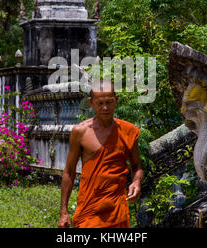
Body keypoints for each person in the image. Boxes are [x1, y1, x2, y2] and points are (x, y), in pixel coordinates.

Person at [58, 80, 143, 228]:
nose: (105, 108)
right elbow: (69, 172)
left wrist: (136, 182)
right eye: (100, 103)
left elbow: (137, 166)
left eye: (109, 102)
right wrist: (63, 212)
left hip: (116, 208)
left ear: (116, 100)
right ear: (91, 103)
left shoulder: (128, 131)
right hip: (89, 208)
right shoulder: (80, 132)